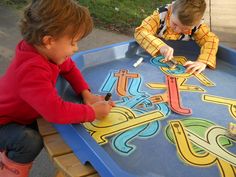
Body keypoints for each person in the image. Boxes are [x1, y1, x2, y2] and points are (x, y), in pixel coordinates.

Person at [0, 0, 115, 176]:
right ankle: (7, 168)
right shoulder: (31, 69)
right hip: (4, 123)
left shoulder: (43, 51)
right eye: (73, 42)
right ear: (49, 41)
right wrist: (93, 112)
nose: (76, 48)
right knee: (29, 141)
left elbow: (69, 68)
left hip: (19, 113)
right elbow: (55, 111)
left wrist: (86, 94)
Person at [134, 0, 219, 74]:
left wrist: (203, 61)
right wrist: (160, 46)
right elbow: (140, 32)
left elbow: (211, 40)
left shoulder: (197, 26)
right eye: (175, 24)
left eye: (185, 29)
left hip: (185, 54)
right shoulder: (159, 17)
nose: (177, 30)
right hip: (152, 59)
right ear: (171, 9)